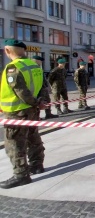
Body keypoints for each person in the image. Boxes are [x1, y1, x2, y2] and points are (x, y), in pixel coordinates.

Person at [0, 39, 46, 189]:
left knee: (14, 143)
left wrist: (33, 102)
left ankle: (21, 175)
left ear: (7, 51)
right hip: (32, 110)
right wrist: (39, 102)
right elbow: (42, 87)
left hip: (17, 112)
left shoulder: (13, 67)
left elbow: (20, 91)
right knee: (33, 137)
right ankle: (37, 165)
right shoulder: (34, 65)